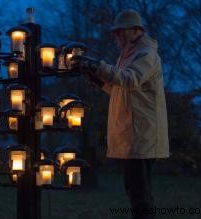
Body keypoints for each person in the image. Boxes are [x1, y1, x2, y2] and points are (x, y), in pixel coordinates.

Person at [71, 9, 169, 219]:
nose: (117, 36)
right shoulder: (128, 55)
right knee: (137, 192)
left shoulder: (146, 54)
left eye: (121, 31)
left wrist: (97, 66)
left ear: (136, 31)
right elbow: (120, 86)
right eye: (115, 32)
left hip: (141, 136)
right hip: (133, 135)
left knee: (139, 195)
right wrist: (98, 79)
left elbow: (128, 79)